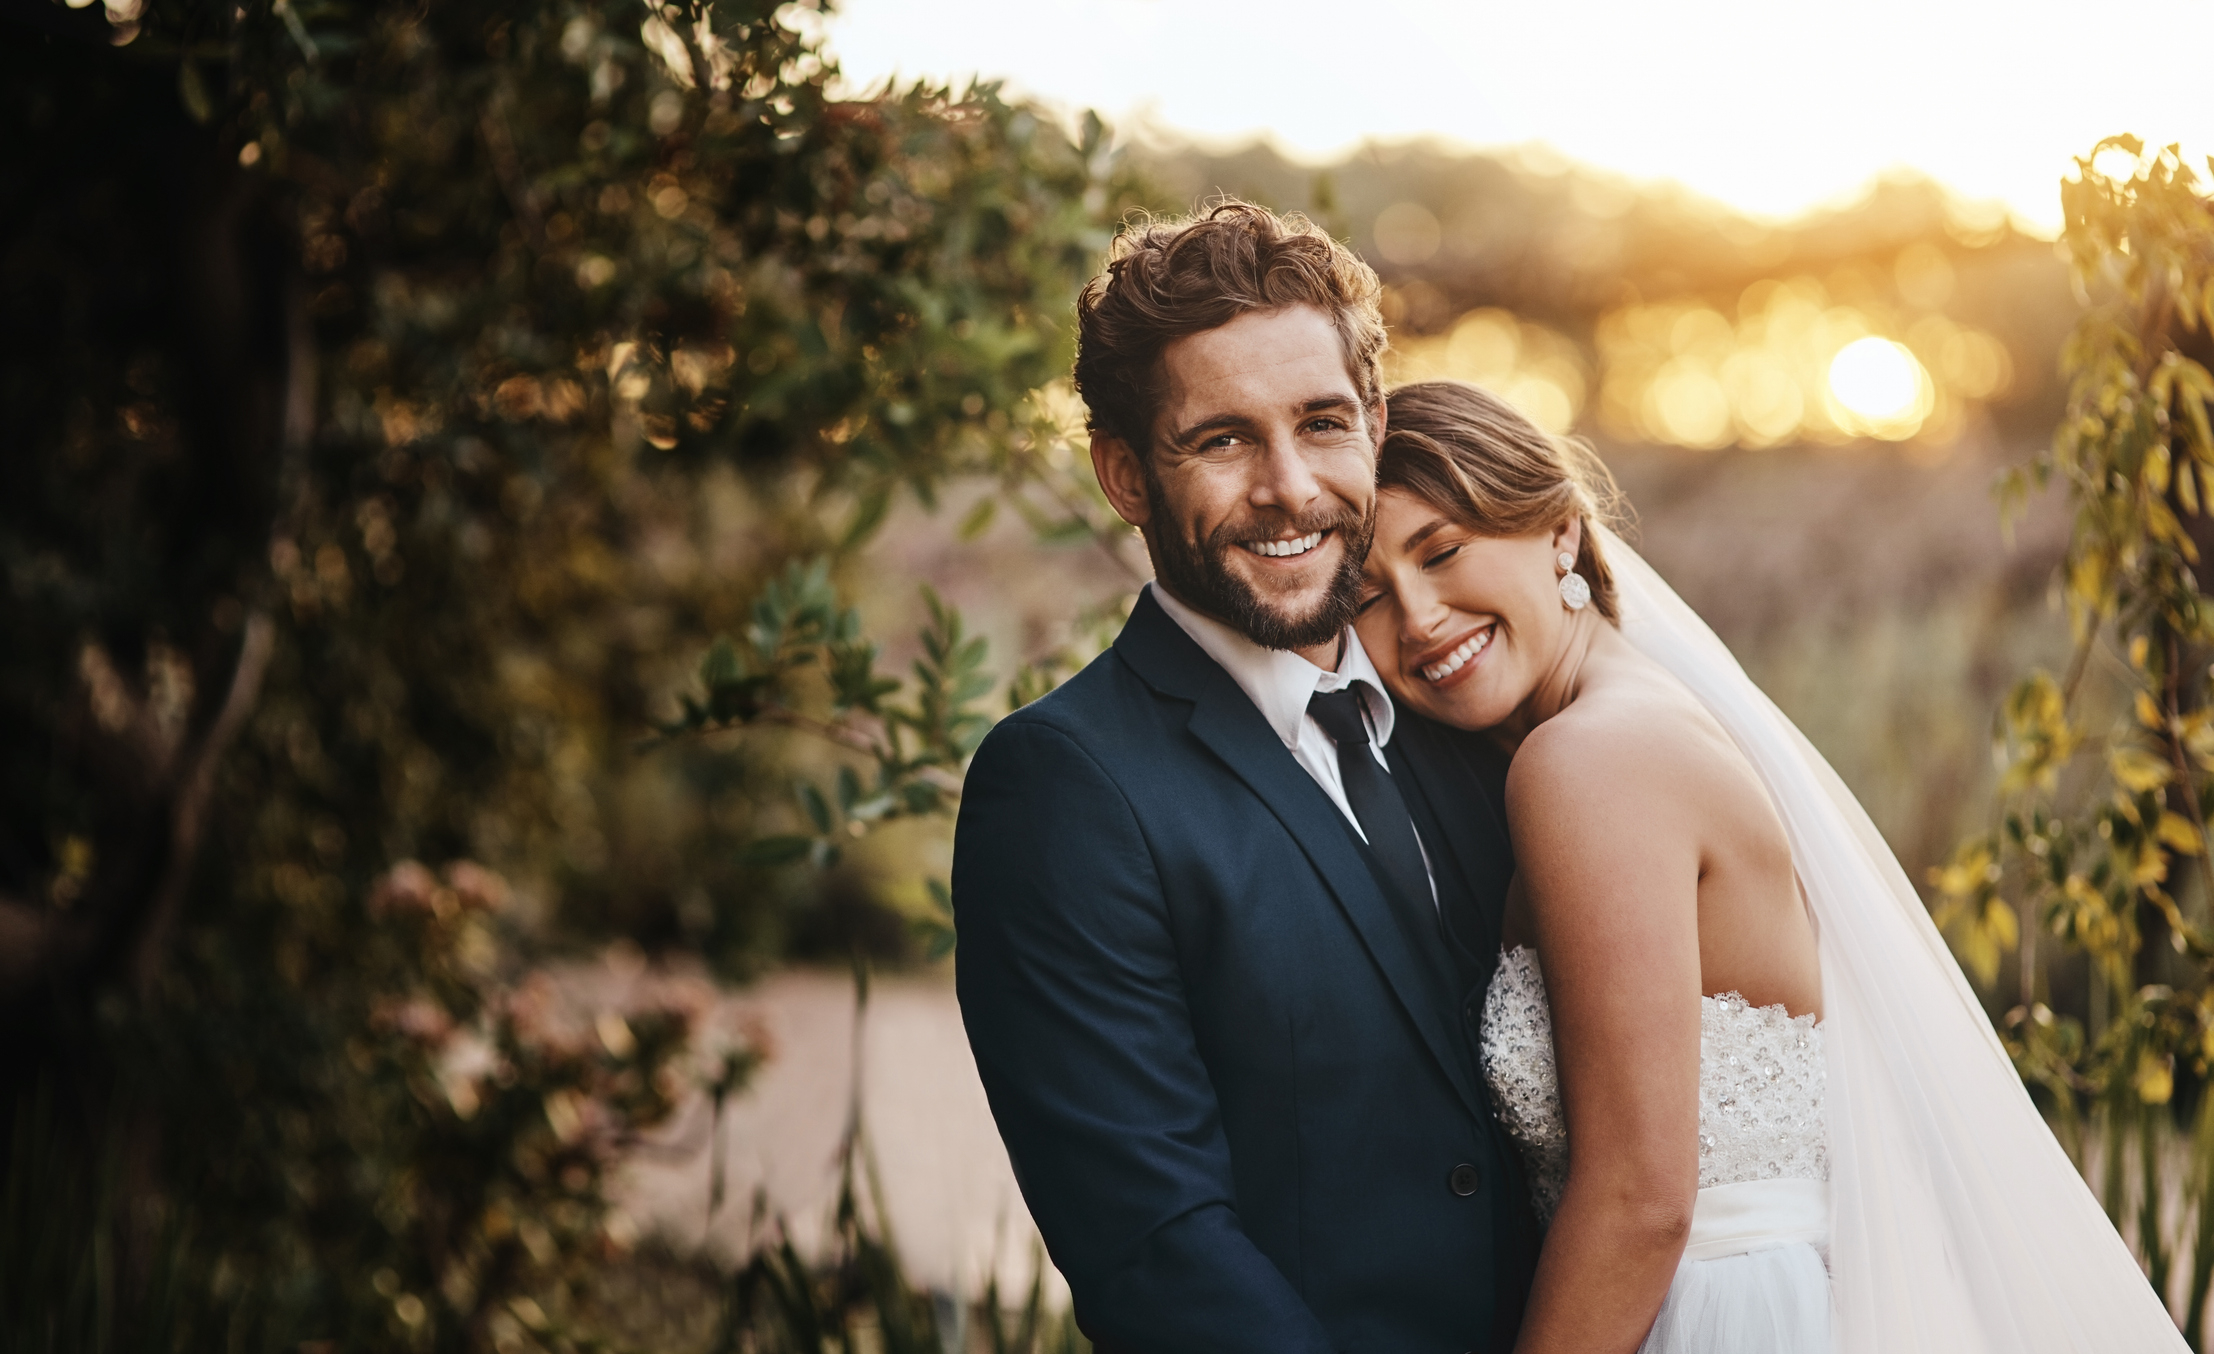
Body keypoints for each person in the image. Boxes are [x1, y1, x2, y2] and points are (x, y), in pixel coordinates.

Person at [1354, 379, 2188, 1353]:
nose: (1415, 617)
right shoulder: (1640, 718)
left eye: (1442, 551)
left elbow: (1640, 1199)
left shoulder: (1586, 761)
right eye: (1368, 595)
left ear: (1559, 535)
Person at [952, 204, 1541, 1351]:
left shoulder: (1466, 714)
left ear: (1373, 424)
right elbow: (1159, 1248)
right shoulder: (1065, 790)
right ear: (1125, 474)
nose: (1288, 487)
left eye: (1322, 423)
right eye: (1222, 440)